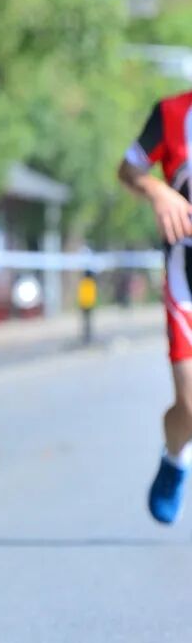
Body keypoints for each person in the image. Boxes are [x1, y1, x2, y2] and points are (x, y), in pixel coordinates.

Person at [118, 92, 192, 524]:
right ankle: (175, 456)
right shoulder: (172, 113)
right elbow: (128, 169)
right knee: (190, 405)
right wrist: (158, 191)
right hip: (187, 276)